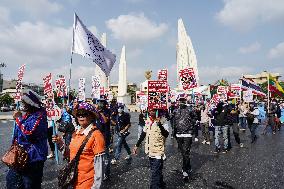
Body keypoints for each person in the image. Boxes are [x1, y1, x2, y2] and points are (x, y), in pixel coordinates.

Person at [53, 102, 105, 189]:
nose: (81, 116)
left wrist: (95, 187)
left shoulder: (97, 135)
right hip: (74, 181)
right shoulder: (76, 133)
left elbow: (100, 167)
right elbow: (70, 155)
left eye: (84, 114)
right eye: (78, 114)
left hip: (87, 184)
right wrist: (60, 143)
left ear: (91, 116)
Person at [6, 90, 48, 189]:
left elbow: (28, 133)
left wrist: (18, 118)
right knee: (11, 182)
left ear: (31, 103)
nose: (23, 105)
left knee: (30, 185)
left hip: (33, 158)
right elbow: (18, 133)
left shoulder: (39, 116)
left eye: (24, 102)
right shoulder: (28, 115)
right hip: (20, 157)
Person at [133, 108, 169, 189]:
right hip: (149, 151)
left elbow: (166, 134)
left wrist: (159, 123)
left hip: (158, 152)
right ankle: (161, 185)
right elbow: (143, 133)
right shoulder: (148, 120)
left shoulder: (163, 121)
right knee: (157, 171)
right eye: (150, 110)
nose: (150, 112)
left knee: (154, 173)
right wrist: (136, 145)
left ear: (157, 112)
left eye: (153, 111)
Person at [173, 98, 196, 181]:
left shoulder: (190, 110)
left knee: (185, 152)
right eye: (180, 102)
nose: (181, 103)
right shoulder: (175, 111)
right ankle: (188, 166)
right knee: (183, 152)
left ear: (185, 102)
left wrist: (191, 128)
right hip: (178, 134)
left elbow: (195, 118)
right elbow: (172, 120)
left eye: (182, 102)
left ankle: (185, 170)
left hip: (187, 134)